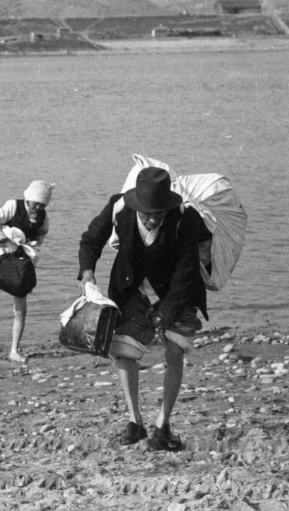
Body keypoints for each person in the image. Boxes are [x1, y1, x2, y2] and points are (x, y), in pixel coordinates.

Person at [77, 167, 212, 451]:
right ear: (136, 205)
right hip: (132, 291)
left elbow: (187, 273)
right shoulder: (120, 208)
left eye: (158, 213)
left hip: (177, 294)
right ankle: (134, 422)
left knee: (174, 350)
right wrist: (87, 273)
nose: (152, 219)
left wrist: (165, 316)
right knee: (123, 351)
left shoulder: (185, 219)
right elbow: (91, 240)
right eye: (146, 214)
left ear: (168, 206)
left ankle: (163, 426)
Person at [0, 181, 52, 362]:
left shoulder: (43, 218)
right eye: (35, 203)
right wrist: (7, 242)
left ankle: (14, 350)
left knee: (20, 309)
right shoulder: (13, 206)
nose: (37, 207)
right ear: (27, 198)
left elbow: (39, 239)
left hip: (18, 259)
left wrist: (28, 251)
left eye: (42, 205)